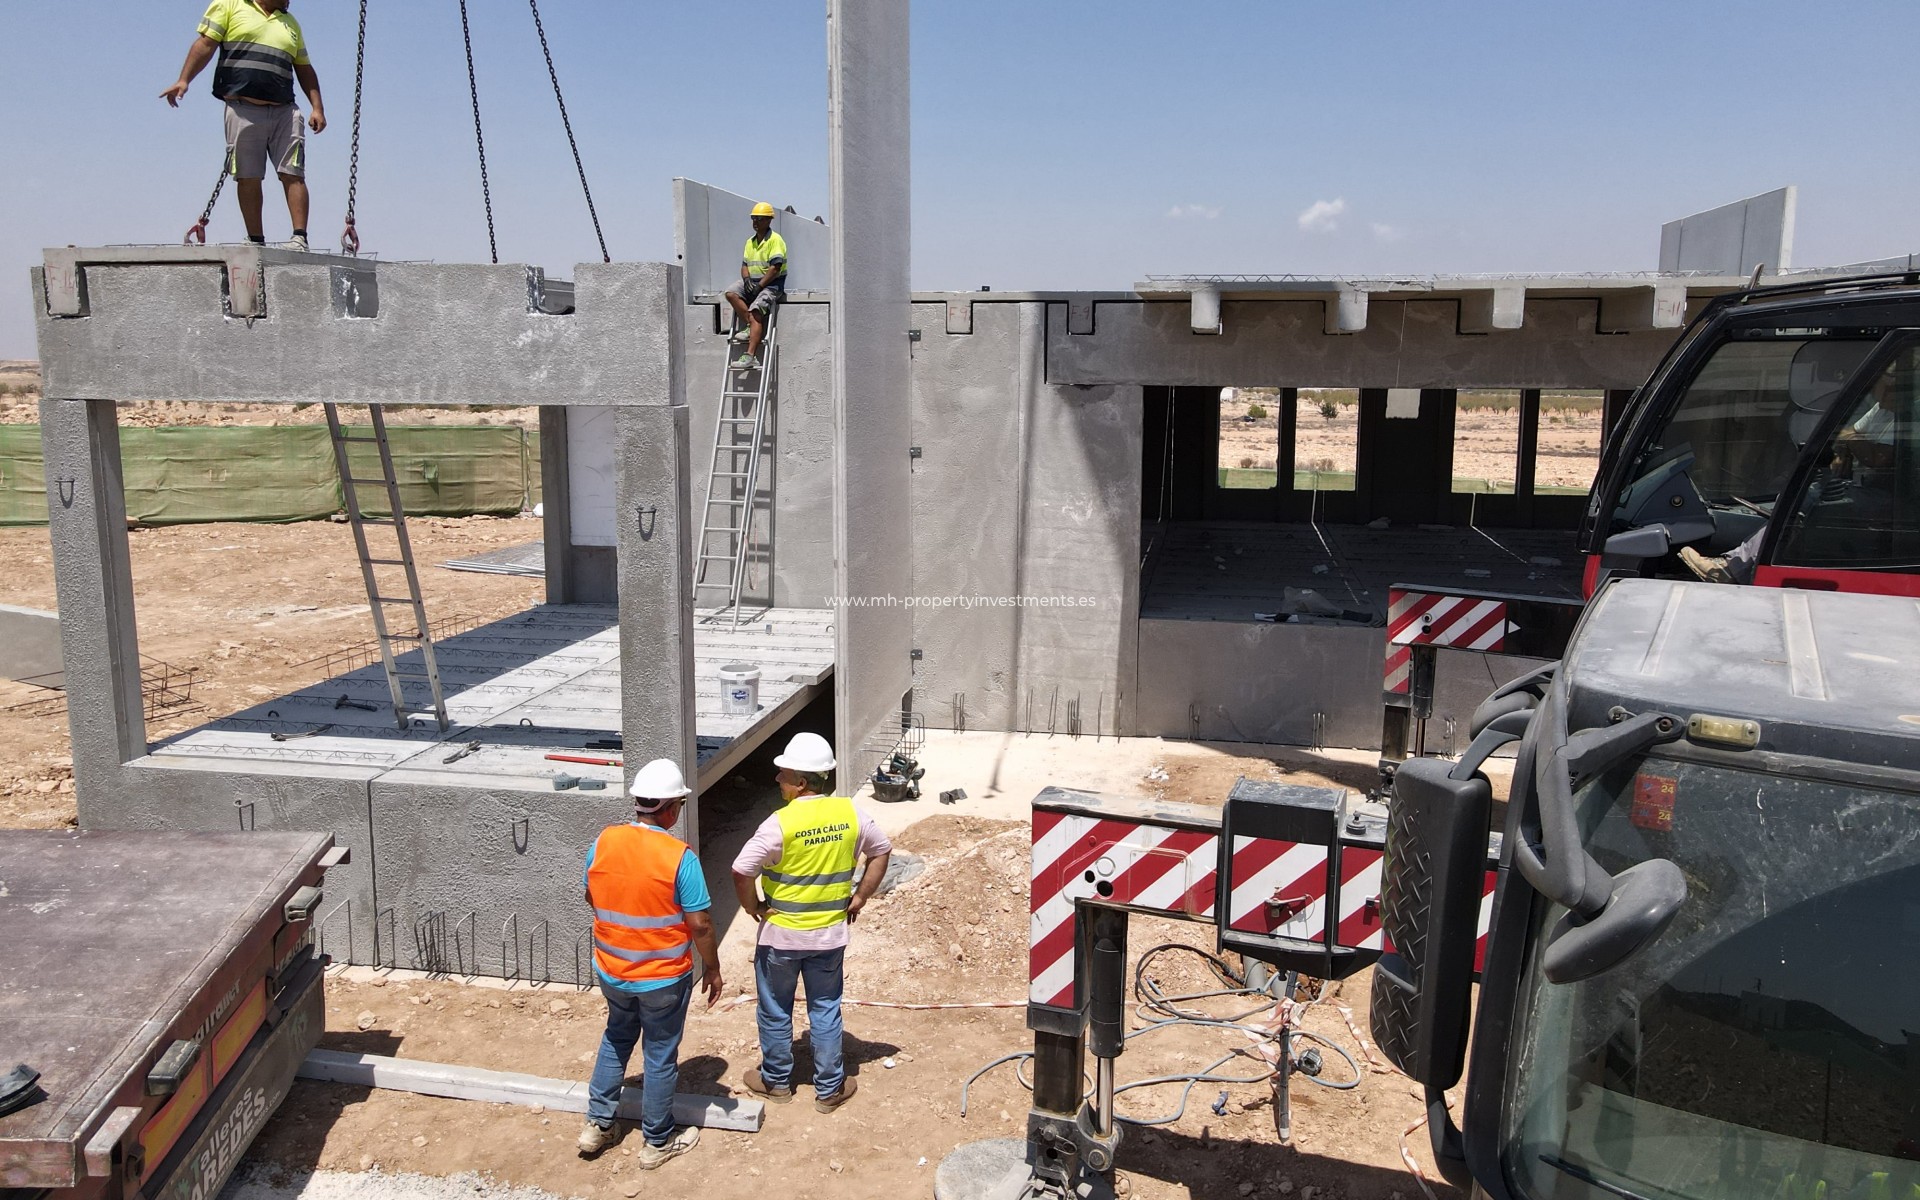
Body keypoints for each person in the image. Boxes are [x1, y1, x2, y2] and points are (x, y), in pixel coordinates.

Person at [731, 732, 891, 1113]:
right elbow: (881, 850)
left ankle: (775, 1081)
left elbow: (741, 869)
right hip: (829, 937)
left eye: (783, 774)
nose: (777, 780)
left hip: (781, 939)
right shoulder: (850, 813)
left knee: (774, 1009)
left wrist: (752, 905)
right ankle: (829, 1088)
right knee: (824, 1008)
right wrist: (861, 896)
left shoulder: (779, 824)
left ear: (801, 782)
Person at [577, 759, 722, 1168]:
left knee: (616, 1038)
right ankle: (657, 1141)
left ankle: (598, 1124)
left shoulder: (604, 841)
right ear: (672, 808)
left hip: (613, 970)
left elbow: (592, 894)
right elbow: (700, 923)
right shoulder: (679, 856)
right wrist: (711, 968)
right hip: (662, 978)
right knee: (659, 1054)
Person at [161, 0, 325, 251]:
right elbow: (205, 44)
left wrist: (317, 107)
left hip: (284, 110)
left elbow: (304, 68)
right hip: (243, 108)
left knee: (293, 173)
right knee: (248, 175)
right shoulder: (229, 5)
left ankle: (299, 238)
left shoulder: (290, 23)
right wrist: (184, 80)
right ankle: (256, 239)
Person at [723, 202, 788, 371]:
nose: (755, 222)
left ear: (768, 220)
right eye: (753, 218)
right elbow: (744, 265)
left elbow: (775, 268)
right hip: (753, 282)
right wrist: (746, 281)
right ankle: (751, 325)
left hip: (771, 284)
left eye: (759, 218)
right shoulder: (749, 242)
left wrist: (759, 286)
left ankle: (750, 356)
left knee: (757, 311)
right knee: (731, 293)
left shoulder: (775, 240)